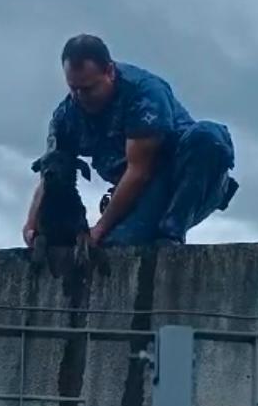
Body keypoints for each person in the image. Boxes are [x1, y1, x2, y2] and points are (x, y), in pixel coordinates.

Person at [23, 35, 238, 248]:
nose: (80, 96)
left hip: (187, 180)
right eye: (73, 88)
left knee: (208, 135)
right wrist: (31, 225)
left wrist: (98, 229)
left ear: (109, 72)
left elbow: (140, 171)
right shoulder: (66, 116)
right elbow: (52, 170)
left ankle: (172, 233)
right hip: (142, 193)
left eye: (88, 88)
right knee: (116, 246)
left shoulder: (144, 93)